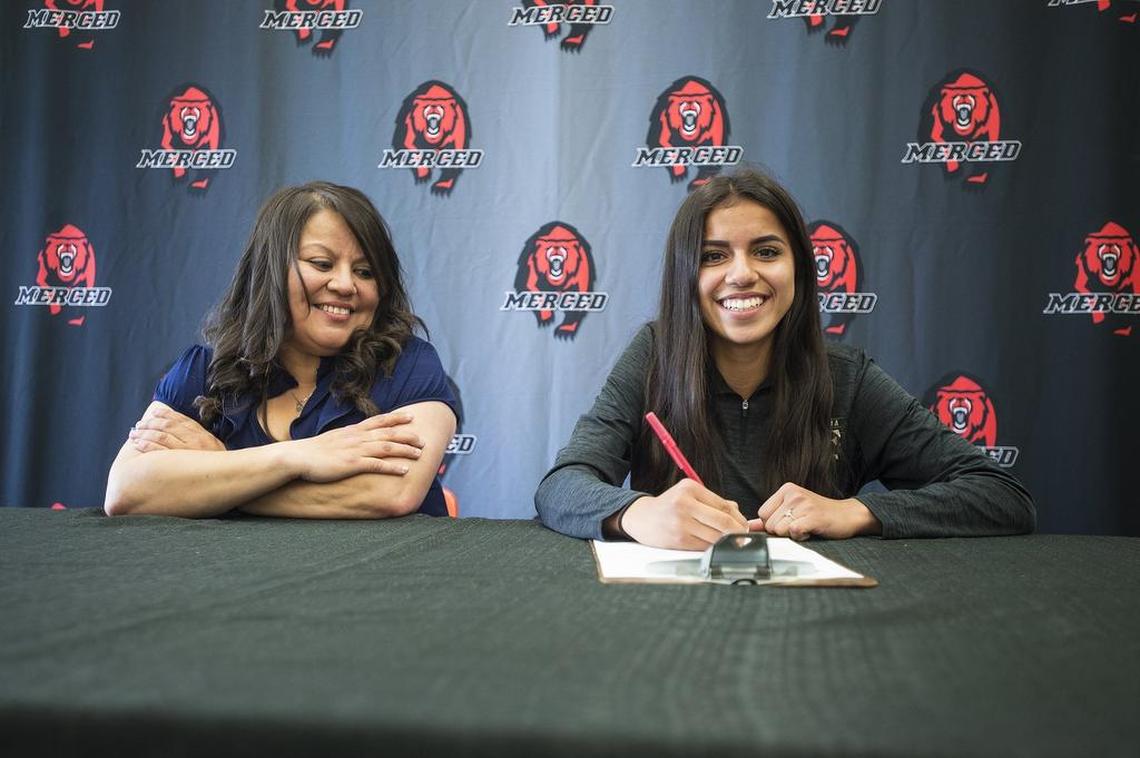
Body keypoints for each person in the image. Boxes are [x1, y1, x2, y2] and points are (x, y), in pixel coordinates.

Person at [535, 168, 1035, 549]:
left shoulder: (848, 378)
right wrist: (637, 513)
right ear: (686, 276)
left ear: (799, 268)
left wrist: (856, 512)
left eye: (767, 252)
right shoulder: (653, 356)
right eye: (713, 256)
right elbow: (561, 487)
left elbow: (1002, 496)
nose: (741, 274)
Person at [105, 181, 457, 518]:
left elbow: (391, 494)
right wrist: (298, 457)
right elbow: (127, 490)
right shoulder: (203, 371)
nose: (346, 284)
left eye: (365, 272)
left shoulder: (408, 365)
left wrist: (220, 471)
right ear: (271, 269)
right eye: (322, 264)